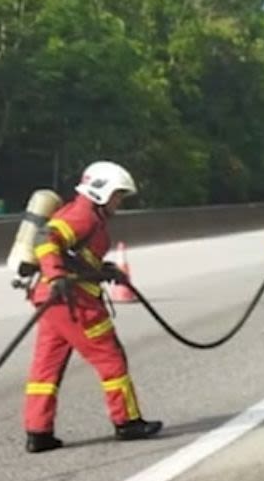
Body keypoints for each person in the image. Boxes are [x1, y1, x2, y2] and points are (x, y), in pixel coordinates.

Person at [22, 161, 164, 453]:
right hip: (72, 302)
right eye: (117, 195)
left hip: (53, 301)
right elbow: (46, 239)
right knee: (111, 358)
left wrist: (105, 270)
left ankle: (38, 432)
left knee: (46, 367)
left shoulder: (86, 215)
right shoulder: (82, 215)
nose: (119, 202)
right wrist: (58, 274)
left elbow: (76, 255)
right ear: (102, 192)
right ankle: (127, 422)